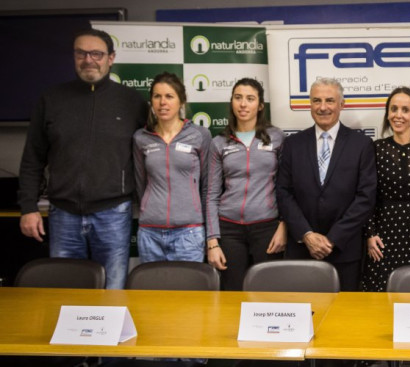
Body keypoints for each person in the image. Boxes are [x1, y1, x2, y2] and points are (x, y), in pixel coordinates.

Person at [18, 28, 147, 289]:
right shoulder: (51, 99)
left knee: (113, 289)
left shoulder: (132, 101)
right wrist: (28, 207)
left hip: (113, 213)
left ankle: (109, 332)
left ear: (111, 58)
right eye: (81, 53)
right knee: (65, 289)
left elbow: (150, 154)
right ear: (74, 57)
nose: (88, 59)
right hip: (63, 214)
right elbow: (32, 158)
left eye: (96, 53)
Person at [276, 78, 377, 292]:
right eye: (316, 101)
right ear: (310, 104)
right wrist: (307, 234)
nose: (323, 107)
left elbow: (366, 197)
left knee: (343, 318)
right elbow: (284, 192)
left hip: (344, 250)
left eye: (330, 100)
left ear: (342, 104)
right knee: (302, 315)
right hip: (302, 249)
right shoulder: (293, 144)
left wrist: (332, 239)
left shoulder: (361, 144)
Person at [206, 78, 287, 290]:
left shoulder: (277, 138)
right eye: (238, 98)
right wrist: (212, 241)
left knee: (267, 292)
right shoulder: (219, 143)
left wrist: (284, 226)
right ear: (231, 102)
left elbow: (287, 187)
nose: (243, 104)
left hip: (267, 227)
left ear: (260, 105)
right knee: (232, 293)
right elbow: (211, 194)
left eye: (250, 99)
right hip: (229, 230)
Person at [362, 87, 410, 292]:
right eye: (393, 109)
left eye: (405, 110)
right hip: (384, 235)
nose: (398, 115)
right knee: (383, 293)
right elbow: (367, 195)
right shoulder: (375, 149)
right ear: (387, 113)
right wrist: (370, 234)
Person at [132, 72, 211, 264]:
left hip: (188, 232)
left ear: (181, 101)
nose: (162, 103)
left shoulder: (199, 135)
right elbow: (140, 182)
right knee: (152, 291)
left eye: (169, 96)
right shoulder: (141, 138)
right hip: (150, 232)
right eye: (157, 96)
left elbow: (208, 185)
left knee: (188, 292)